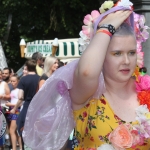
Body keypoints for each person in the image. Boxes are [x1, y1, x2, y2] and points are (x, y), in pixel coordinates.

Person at [22, 0, 150, 150]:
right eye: (117, 53)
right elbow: (86, 72)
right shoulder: (88, 93)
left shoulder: (146, 89)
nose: (126, 61)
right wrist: (105, 29)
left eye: (131, 53)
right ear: (100, 55)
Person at [10, 59, 39, 150]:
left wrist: (14, 108)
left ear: (26, 67)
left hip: (27, 107)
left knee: (23, 130)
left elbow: (21, 97)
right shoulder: (40, 78)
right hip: (38, 107)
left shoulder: (23, 79)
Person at [6, 74, 22, 150]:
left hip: (16, 111)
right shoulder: (13, 90)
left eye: (14, 81)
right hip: (12, 111)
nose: (12, 83)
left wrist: (10, 104)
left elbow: (21, 102)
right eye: (11, 81)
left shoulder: (19, 90)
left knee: (12, 131)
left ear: (18, 81)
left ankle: (14, 148)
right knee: (15, 131)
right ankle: (20, 147)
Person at [0, 69, 11, 150]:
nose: (1, 76)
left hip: (3, 107)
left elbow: (9, 96)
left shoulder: (4, 84)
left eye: (1, 74)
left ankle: (3, 144)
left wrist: (2, 96)